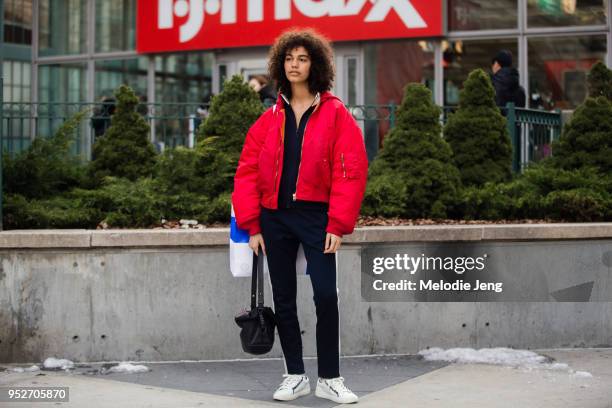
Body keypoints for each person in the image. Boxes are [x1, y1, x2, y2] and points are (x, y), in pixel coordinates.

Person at [232, 29, 368, 404]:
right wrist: (252, 225)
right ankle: (295, 375)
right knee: (286, 302)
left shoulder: (335, 113)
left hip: (316, 219)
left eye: (302, 58)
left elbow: (350, 171)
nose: (295, 65)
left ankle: (330, 377)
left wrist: (338, 224)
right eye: (289, 58)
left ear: (316, 65)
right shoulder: (269, 117)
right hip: (274, 219)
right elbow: (245, 173)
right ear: (280, 64)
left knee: (326, 297)